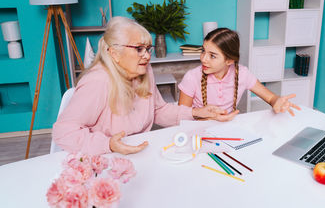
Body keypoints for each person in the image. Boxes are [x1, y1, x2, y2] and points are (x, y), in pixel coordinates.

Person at [52, 17, 237, 156]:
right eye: (139, 49)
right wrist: (108, 144)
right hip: (104, 157)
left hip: (138, 151)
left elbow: (158, 111)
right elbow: (63, 131)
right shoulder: (98, 81)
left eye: (148, 49)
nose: (147, 56)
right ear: (114, 53)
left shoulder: (144, 71)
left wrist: (197, 113)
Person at [178, 28, 301, 116]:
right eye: (203, 51)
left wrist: (276, 101)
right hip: (198, 131)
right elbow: (181, 116)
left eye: (212, 56)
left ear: (230, 60)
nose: (203, 59)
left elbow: (271, 98)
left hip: (229, 129)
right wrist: (210, 118)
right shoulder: (192, 77)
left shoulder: (242, 73)